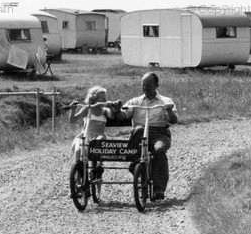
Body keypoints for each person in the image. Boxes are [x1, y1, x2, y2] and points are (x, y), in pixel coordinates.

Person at [113, 72, 178, 200]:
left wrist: (169, 111)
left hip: (159, 133)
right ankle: (135, 163)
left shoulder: (166, 101)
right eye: (143, 85)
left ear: (156, 85)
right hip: (140, 133)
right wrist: (117, 110)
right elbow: (122, 116)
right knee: (138, 129)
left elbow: (174, 120)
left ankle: (159, 188)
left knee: (159, 150)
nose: (145, 88)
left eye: (148, 85)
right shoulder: (135, 101)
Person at [69, 86, 117, 181]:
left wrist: (111, 107)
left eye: (105, 98)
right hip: (85, 135)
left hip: (98, 135)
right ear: (94, 99)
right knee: (78, 150)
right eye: (102, 98)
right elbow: (72, 120)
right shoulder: (88, 109)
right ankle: (79, 174)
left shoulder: (104, 111)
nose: (104, 100)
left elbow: (112, 116)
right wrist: (73, 109)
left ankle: (98, 167)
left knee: (99, 142)